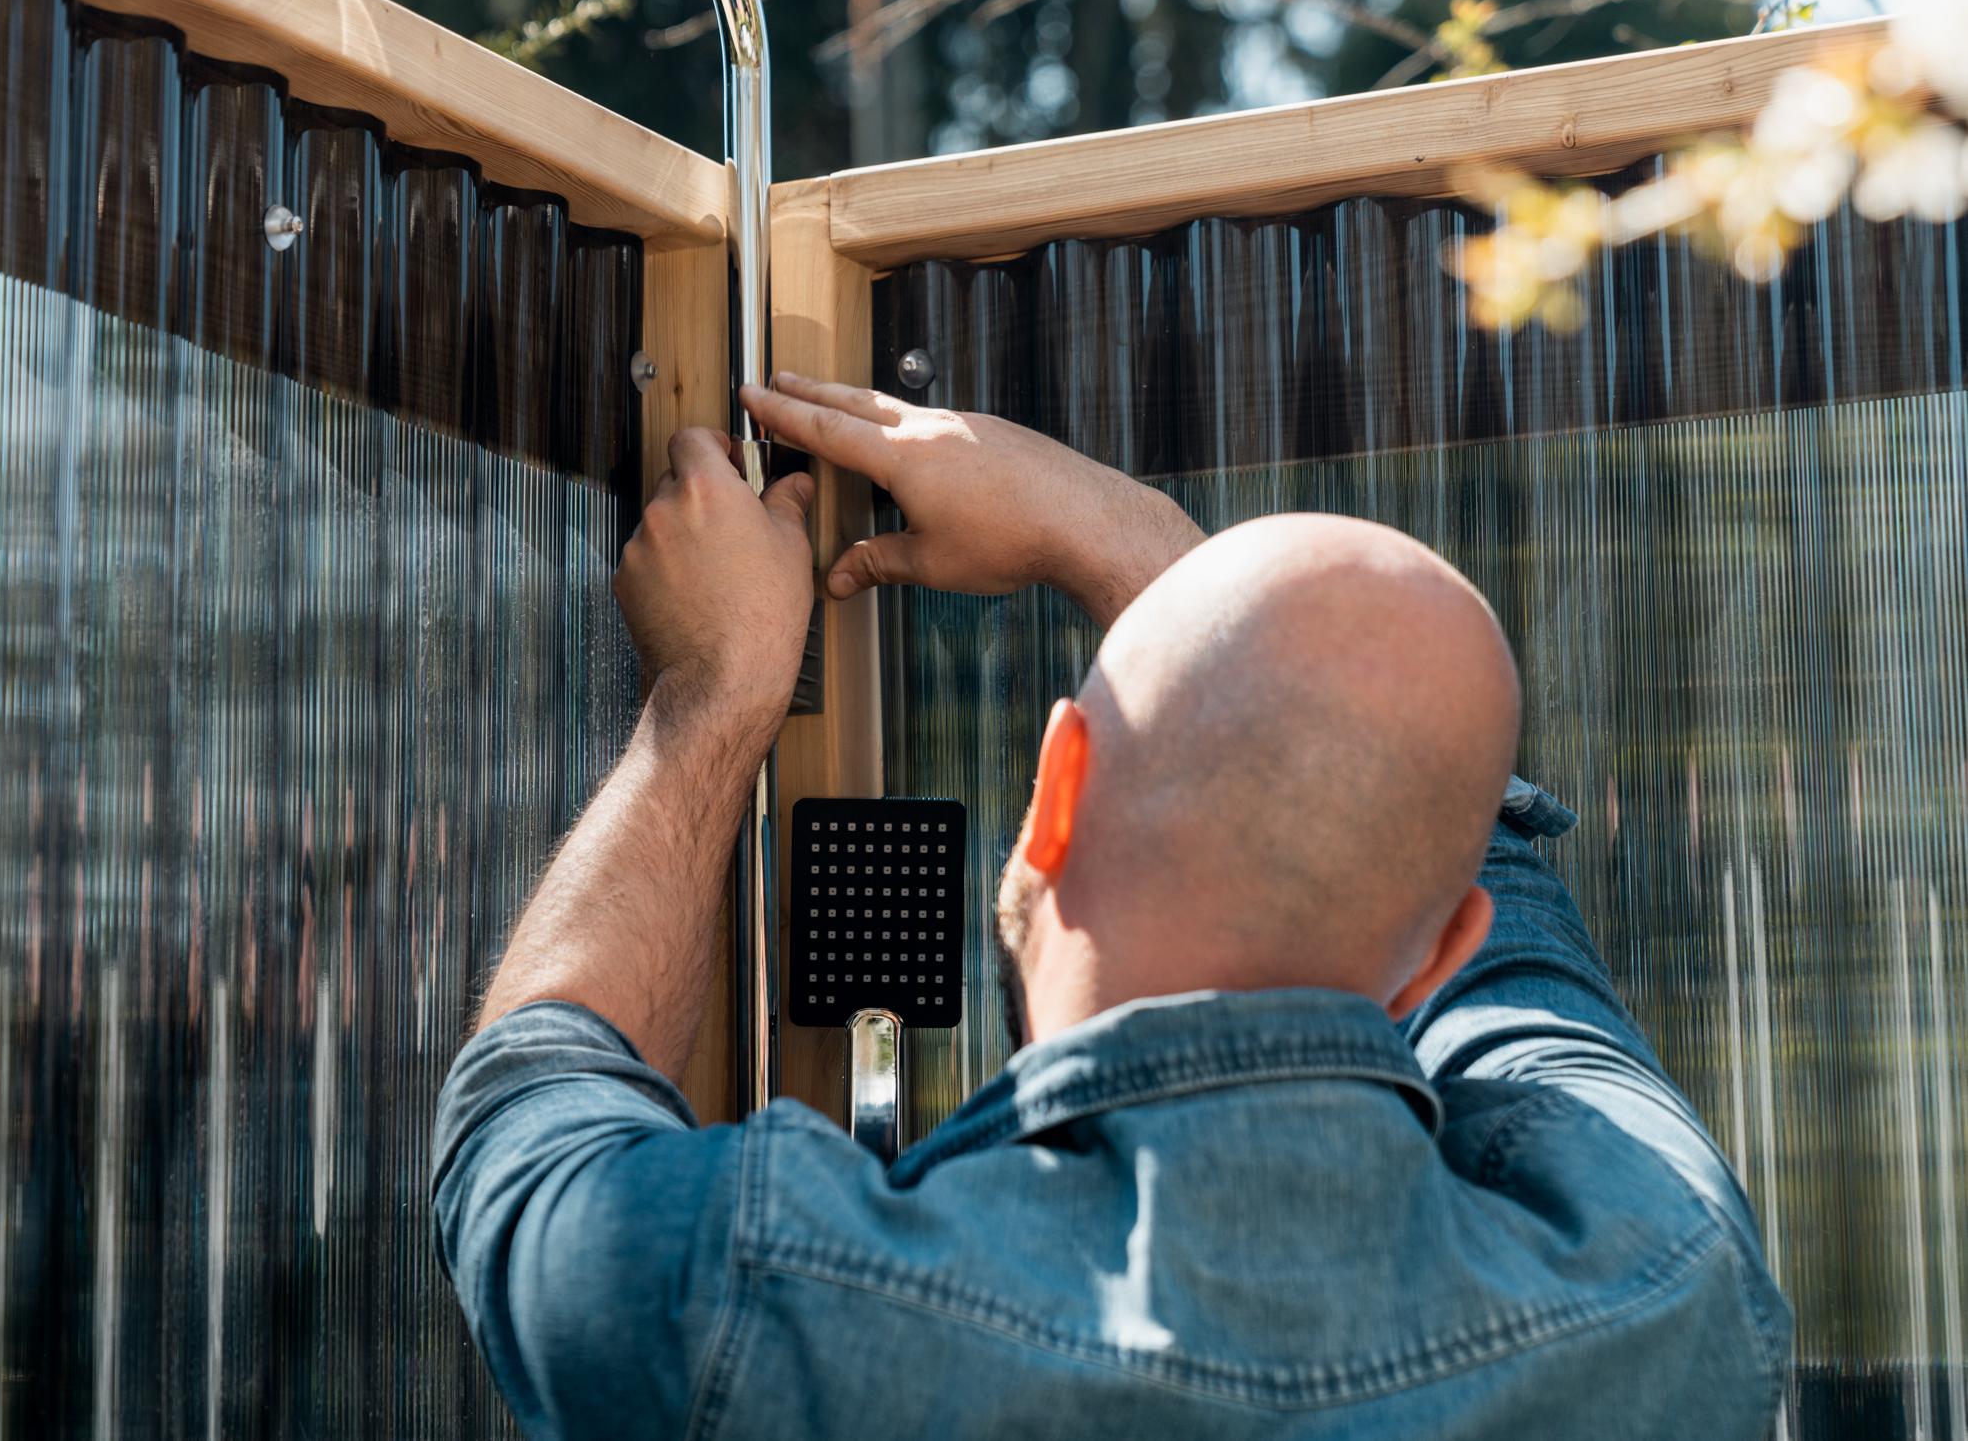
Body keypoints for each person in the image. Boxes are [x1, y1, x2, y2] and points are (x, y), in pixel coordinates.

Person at [431, 371, 1791, 1440]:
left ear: (1057, 785)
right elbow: (1512, 969)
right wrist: (1142, 554)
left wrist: (715, 695)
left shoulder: (773, 1304)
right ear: (1444, 953)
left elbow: (531, 1108)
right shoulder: (1669, 1285)